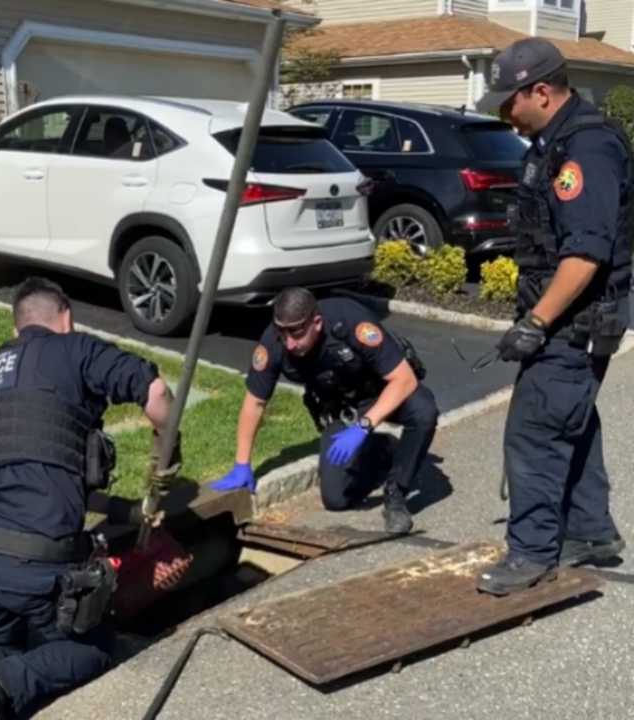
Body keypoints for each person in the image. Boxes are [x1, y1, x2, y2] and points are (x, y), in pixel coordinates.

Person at [0, 277, 174, 719]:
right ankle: (1, 687)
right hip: (33, 565)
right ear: (66, 318)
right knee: (90, 650)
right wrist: (168, 447)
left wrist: (113, 505)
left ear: (17, 330)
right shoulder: (76, 350)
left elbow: (28, 468)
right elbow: (157, 394)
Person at [474, 38, 631, 596]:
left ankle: (531, 554)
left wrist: (536, 322)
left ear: (541, 91)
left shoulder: (585, 149)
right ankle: (589, 532)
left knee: (535, 430)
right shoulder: (552, 142)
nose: (501, 111)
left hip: (575, 321)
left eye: (508, 99)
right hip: (568, 317)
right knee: (571, 418)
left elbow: (586, 254)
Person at [211, 288, 439, 534]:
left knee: (423, 411)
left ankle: (396, 496)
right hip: (344, 408)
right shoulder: (273, 343)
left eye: (296, 333)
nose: (288, 342)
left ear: (316, 323)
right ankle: (382, 448)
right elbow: (254, 402)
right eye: (282, 332)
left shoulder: (350, 321)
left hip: (383, 391)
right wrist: (242, 463)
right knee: (336, 498)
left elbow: (404, 380)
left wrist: (363, 427)